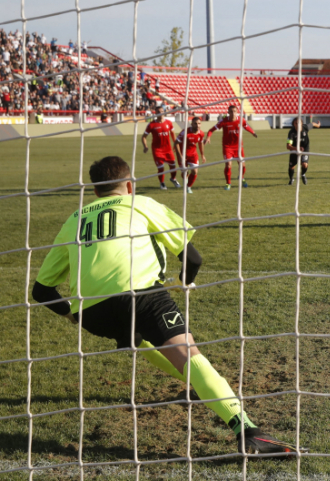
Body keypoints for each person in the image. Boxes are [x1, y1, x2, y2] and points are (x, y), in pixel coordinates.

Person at [30, 156, 292, 455]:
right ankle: (248, 431)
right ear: (129, 185)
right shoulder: (139, 203)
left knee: (138, 338)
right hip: (142, 297)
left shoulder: (74, 219)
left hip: (92, 313)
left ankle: (202, 390)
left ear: (95, 192)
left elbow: (41, 290)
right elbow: (193, 258)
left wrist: (73, 317)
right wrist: (185, 280)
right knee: (188, 355)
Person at [206, 105, 257, 190]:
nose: (233, 113)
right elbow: (211, 130)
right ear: (228, 112)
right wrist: (208, 137)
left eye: (234, 111)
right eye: (231, 111)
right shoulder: (223, 121)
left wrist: (252, 132)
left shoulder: (241, 119)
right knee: (228, 165)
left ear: (237, 112)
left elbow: (246, 126)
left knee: (242, 165)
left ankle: (242, 178)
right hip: (227, 147)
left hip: (238, 147)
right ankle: (228, 183)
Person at [141, 113, 181, 190]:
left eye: (162, 111)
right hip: (157, 150)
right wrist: (145, 146)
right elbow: (144, 137)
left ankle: (173, 179)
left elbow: (173, 134)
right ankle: (162, 183)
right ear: (156, 113)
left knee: (173, 166)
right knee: (161, 168)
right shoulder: (151, 124)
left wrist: (175, 145)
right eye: (158, 112)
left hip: (168, 149)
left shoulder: (169, 123)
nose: (161, 113)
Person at [174, 116, 206, 194]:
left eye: (199, 123)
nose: (197, 125)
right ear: (191, 124)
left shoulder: (201, 133)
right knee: (185, 173)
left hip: (193, 154)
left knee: (195, 171)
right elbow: (176, 143)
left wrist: (202, 155)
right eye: (195, 124)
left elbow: (201, 143)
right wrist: (180, 156)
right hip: (182, 155)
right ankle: (186, 179)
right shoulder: (184, 132)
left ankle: (188, 187)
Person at [287, 116, 321, 185]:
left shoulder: (305, 127)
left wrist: (318, 125)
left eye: (299, 123)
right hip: (294, 150)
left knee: (304, 164)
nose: (297, 125)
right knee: (291, 167)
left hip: (305, 149)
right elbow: (288, 146)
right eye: (296, 123)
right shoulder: (291, 133)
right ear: (294, 124)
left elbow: (312, 124)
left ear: (302, 124)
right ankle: (291, 179)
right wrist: (297, 148)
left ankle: (303, 174)